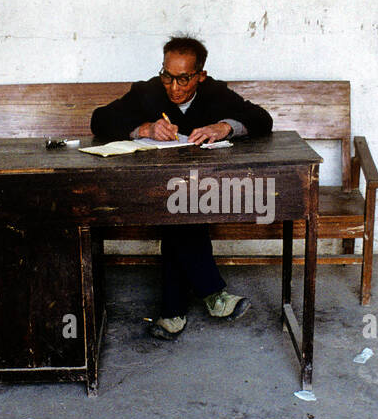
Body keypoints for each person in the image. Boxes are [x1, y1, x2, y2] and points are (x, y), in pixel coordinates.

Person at [90, 36, 273, 340]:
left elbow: (262, 120)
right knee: (180, 208)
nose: (173, 87)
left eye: (183, 79)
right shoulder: (147, 91)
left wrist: (224, 126)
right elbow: (100, 120)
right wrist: (143, 129)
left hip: (202, 191)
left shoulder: (215, 93)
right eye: (167, 76)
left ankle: (172, 311)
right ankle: (213, 294)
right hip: (149, 190)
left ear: (200, 76)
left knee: (182, 210)